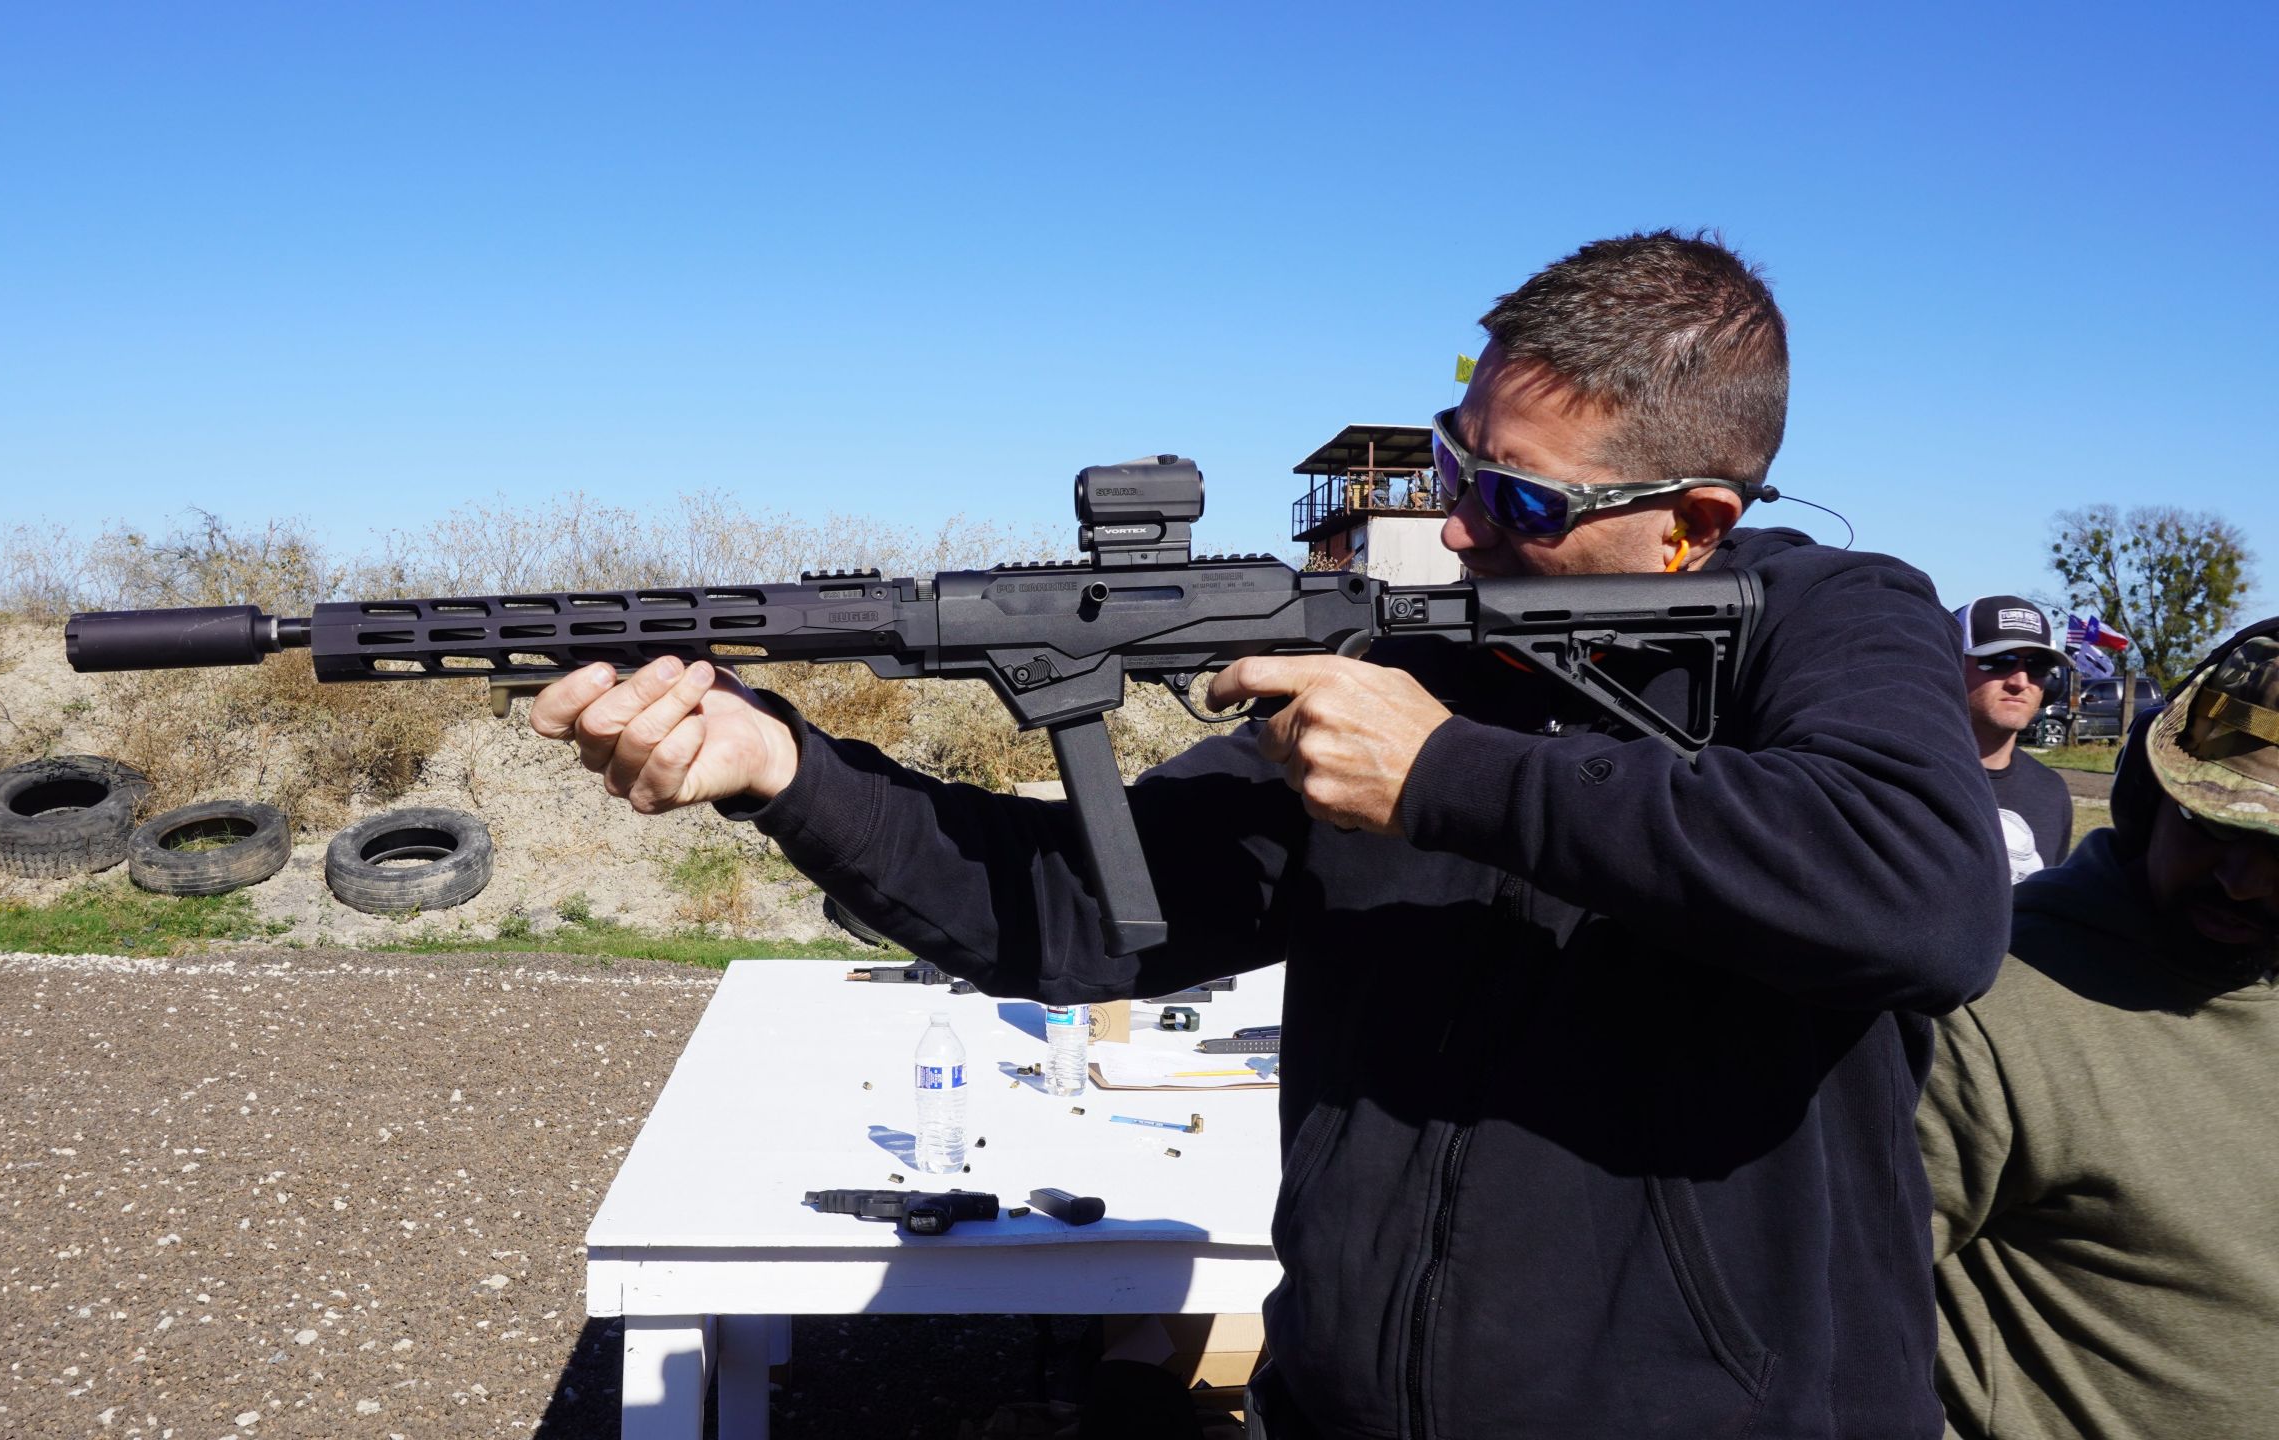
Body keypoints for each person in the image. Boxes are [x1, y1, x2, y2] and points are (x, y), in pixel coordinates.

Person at [535, 232, 2009, 1438]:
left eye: (1512, 499)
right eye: (1452, 466)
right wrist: (782, 766)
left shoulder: (1830, 618)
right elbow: (1070, 913)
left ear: (1690, 521)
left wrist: (1446, 777)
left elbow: (1920, 896)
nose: (1459, 528)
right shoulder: (1416, 664)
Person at [1916, 622, 2279, 1439]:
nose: (2244, 880)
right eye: (2215, 824)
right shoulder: (1987, 1001)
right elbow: (1828, 1305)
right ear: (2149, 803)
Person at [1954, 594, 2075, 879]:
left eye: (2037, 665)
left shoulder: (2051, 793)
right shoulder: (1905, 778)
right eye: (1999, 660)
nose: (2020, 681)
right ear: (1951, 665)